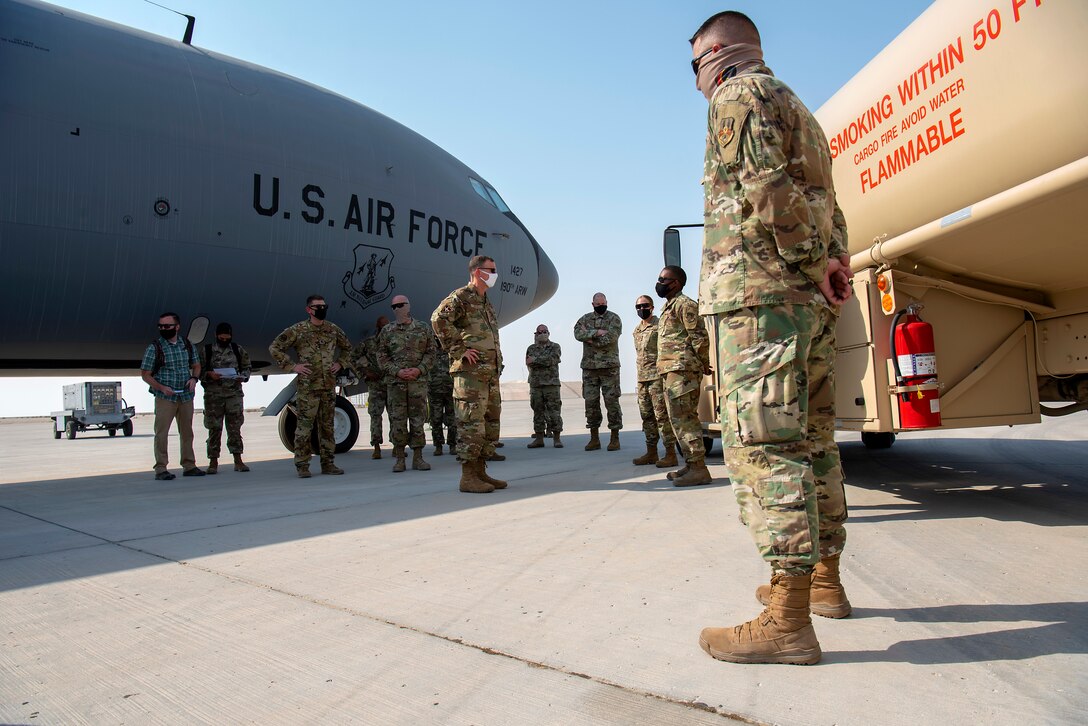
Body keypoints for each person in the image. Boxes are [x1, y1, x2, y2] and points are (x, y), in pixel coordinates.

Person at [689, 11, 854, 666]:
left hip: (759, 301)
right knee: (813, 443)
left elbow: (765, 188)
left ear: (717, 55)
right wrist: (829, 264)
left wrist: (811, 262)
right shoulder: (800, 110)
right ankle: (824, 583)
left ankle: (787, 622)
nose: (696, 80)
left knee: (766, 449)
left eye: (695, 65)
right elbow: (829, 204)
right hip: (805, 304)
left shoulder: (737, 94)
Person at [431, 255, 507, 493]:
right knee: (471, 425)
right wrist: (459, 350)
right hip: (470, 375)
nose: (494, 274)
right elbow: (438, 319)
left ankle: (480, 472)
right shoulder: (461, 297)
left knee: (490, 424)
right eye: (490, 270)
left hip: (489, 374)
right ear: (477, 272)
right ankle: (468, 477)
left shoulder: (485, 301)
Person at [269, 294, 353, 478]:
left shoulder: (332, 329)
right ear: (309, 310)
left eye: (324, 306)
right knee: (304, 428)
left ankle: (328, 464)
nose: (322, 309)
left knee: (327, 427)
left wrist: (340, 363)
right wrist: (292, 366)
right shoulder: (298, 330)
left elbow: (348, 348)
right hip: (308, 388)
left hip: (328, 387)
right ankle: (302, 465)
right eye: (318, 307)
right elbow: (275, 347)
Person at [655, 266, 713, 487]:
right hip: (672, 371)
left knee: (685, 419)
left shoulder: (685, 305)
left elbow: (699, 337)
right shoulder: (669, 307)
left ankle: (699, 469)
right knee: (678, 420)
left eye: (664, 279)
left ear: (676, 283)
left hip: (683, 371)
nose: (660, 283)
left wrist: (703, 363)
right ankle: (691, 465)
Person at [140, 312, 203, 480]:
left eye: (167, 326)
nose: (163, 329)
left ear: (177, 327)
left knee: (187, 432)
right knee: (161, 433)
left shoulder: (187, 345)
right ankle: (161, 468)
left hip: (185, 396)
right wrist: (161, 388)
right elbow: (145, 374)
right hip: (165, 398)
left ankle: (189, 465)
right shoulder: (155, 348)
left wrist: (194, 379)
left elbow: (196, 365)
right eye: (160, 326)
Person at [377, 295, 436, 473]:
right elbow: (381, 357)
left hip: (417, 383)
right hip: (397, 384)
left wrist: (419, 370)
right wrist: (397, 371)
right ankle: (400, 459)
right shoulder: (387, 331)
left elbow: (431, 353)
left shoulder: (423, 328)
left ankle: (418, 458)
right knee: (398, 421)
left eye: (400, 305)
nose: (397, 309)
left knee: (418, 420)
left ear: (408, 306)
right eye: (394, 306)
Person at [199, 322, 252, 474]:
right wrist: (209, 375)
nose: (224, 340)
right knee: (214, 428)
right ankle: (213, 461)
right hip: (213, 396)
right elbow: (198, 371)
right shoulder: (207, 351)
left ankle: (238, 460)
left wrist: (243, 376)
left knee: (234, 428)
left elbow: (247, 367)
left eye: (227, 337)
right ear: (216, 336)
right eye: (221, 338)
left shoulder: (237, 349)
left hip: (233, 395)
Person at [631, 295, 677, 468]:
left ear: (651, 307)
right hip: (642, 379)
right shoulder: (637, 330)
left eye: (645, 305)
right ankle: (651, 452)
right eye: (638, 306)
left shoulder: (660, 326)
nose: (641, 309)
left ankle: (670, 453)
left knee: (661, 417)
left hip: (657, 378)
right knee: (647, 417)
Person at [573, 292, 623, 451]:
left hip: (609, 368)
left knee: (612, 402)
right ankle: (594, 438)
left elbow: (610, 339)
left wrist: (588, 338)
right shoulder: (585, 319)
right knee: (591, 403)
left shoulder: (614, 319)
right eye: (598, 304)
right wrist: (596, 333)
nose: (601, 306)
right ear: (593, 304)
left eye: (603, 303)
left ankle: (615, 438)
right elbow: (577, 333)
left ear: (606, 302)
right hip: (590, 369)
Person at [353, 316, 390, 459]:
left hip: (392, 384)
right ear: (378, 327)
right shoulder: (369, 343)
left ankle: (397, 446)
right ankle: (376, 447)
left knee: (396, 416)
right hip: (375, 385)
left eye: (387, 326)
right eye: (383, 326)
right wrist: (364, 372)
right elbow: (352, 358)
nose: (385, 329)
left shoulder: (394, 342)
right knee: (375, 416)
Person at [525, 324, 563, 449]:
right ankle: (539, 439)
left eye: (545, 331)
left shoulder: (555, 346)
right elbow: (529, 363)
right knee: (538, 412)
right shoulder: (531, 348)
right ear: (536, 334)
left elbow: (552, 360)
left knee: (554, 412)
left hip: (551, 384)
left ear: (549, 333)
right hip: (536, 385)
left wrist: (535, 360)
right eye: (540, 332)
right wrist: (540, 361)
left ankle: (557, 438)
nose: (542, 333)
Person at [428, 337, 456, 456]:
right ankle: (438, 446)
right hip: (434, 390)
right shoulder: (430, 352)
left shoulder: (452, 351)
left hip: (450, 390)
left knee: (453, 419)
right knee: (435, 419)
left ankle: (453, 445)